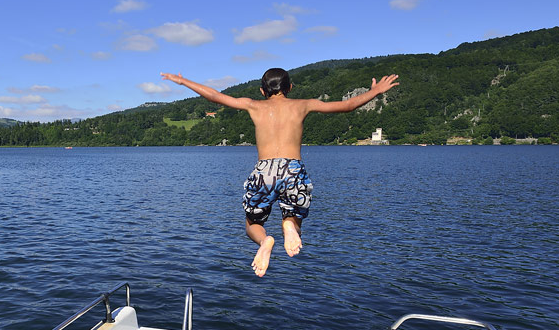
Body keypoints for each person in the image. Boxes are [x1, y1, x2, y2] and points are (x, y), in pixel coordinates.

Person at [160, 68, 399, 277]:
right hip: (293, 168)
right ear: (290, 88)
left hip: (264, 170)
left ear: (262, 91)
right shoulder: (303, 104)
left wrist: (184, 82)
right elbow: (346, 106)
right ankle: (289, 227)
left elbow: (215, 97)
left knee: (252, 223)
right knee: (294, 217)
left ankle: (265, 241)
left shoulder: (253, 105)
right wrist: (375, 92)